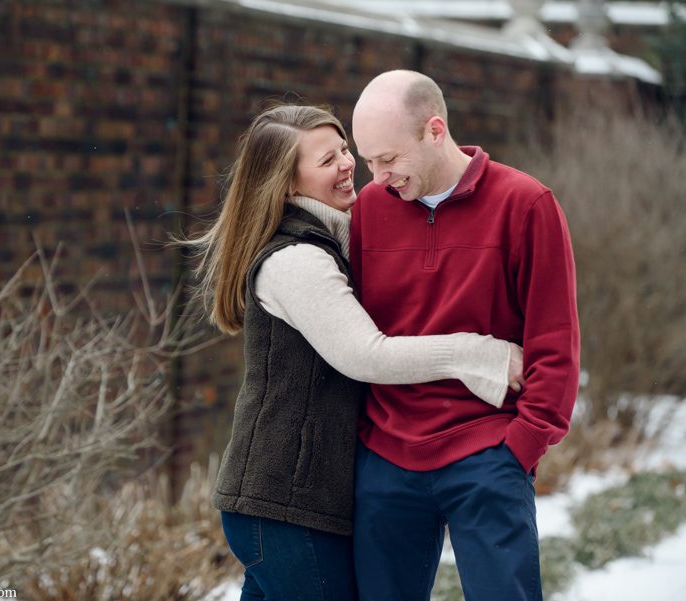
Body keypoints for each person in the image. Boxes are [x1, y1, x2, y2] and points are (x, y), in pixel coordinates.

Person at [186, 103, 525, 601]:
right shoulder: (297, 259)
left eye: (343, 149)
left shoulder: (332, 241)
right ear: (287, 185)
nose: (348, 164)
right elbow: (365, 354)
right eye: (327, 161)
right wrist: (474, 355)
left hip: (280, 505)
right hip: (286, 506)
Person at [349, 70, 580, 601]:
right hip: (386, 457)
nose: (379, 176)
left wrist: (522, 445)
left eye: (390, 158)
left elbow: (555, 339)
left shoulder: (525, 204)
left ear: (434, 130)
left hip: (487, 452)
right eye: (369, 161)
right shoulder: (369, 209)